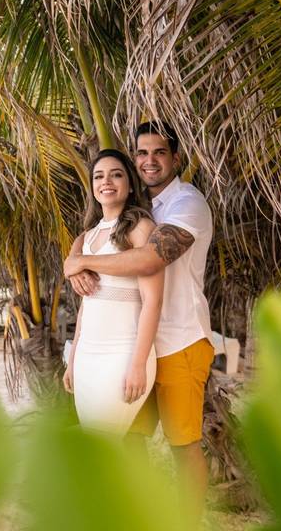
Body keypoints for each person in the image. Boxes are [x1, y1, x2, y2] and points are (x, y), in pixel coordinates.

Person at [64, 123, 214, 512]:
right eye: (142, 153)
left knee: (183, 446)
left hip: (180, 340)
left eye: (159, 152)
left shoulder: (187, 204)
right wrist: (77, 261)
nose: (150, 160)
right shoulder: (135, 212)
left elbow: (150, 258)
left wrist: (79, 261)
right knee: (131, 439)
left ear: (176, 158)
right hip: (133, 345)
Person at [62, 149, 164, 436]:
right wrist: (73, 361)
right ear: (93, 187)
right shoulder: (86, 237)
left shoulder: (141, 229)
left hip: (123, 353)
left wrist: (138, 364)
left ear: (130, 184)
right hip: (87, 357)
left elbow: (153, 302)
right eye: (99, 176)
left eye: (116, 174)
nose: (106, 181)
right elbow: (86, 306)